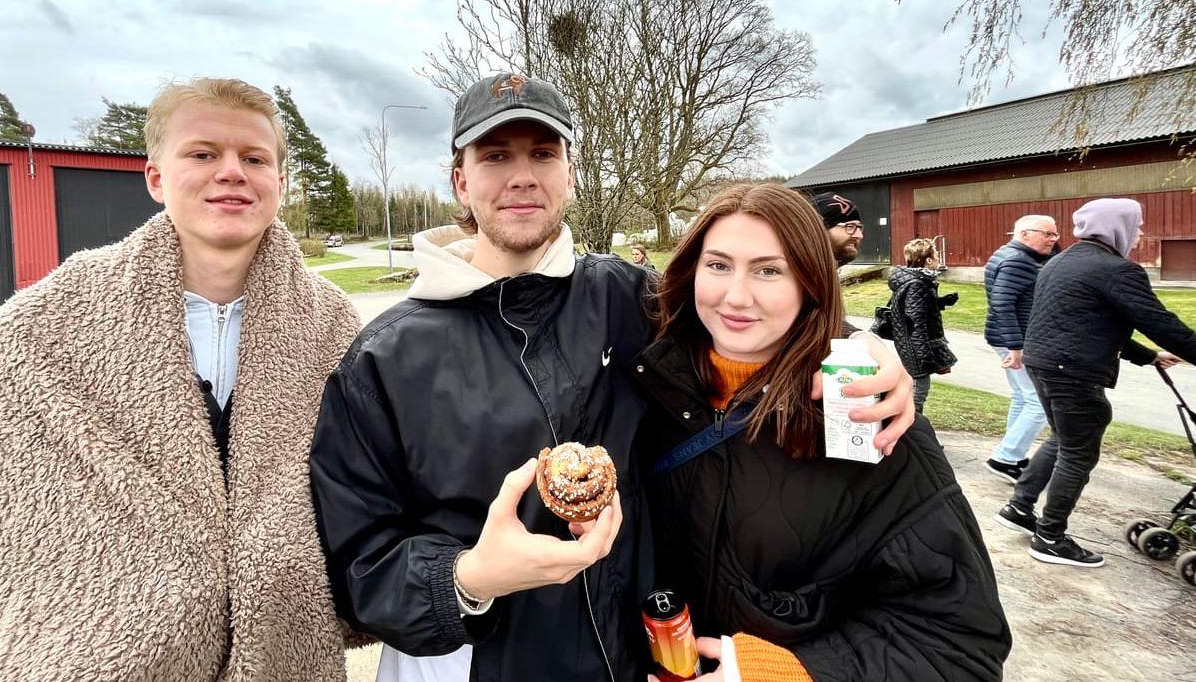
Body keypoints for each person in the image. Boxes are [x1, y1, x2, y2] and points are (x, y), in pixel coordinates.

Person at [310, 73, 916, 682]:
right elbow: (358, 565)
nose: (523, 175)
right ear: (460, 181)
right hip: (467, 665)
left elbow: (753, 327)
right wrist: (466, 579)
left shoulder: (634, 301)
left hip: (631, 655)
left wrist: (855, 348)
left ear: (571, 174)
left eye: (543, 153)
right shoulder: (384, 357)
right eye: (496, 156)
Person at [0, 78, 361, 679]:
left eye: (254, 158)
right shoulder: (43, 324)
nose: (232, 172)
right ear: (155, 177)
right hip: (103, 656)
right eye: (203, 153)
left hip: (285, 649)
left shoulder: (335, 326)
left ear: (279, 182)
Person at [636, 183, 1010, 681]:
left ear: (811, 282)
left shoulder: (869, 414)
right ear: (691, 270)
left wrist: (792, 674)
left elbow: (958, 646)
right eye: (718, 265)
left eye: (769, 270)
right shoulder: (644, 379)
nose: (736, 295)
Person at [997, 198, 1196, 568]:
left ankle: (1019, 507)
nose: (1139, 233)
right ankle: (1050, 538)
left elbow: (1090, 321)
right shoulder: (1117, 270)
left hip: (1043, 365)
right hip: (1073, 373)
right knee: (1078, 452)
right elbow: (1161, 323)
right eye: (1136, 226)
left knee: (1063, 439)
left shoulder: (1060, 261)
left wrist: (1148, 356)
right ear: (1116, 227)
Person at [982, 215, 1057, 484]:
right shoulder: (1018, 260)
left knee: (1023, 396)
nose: (1053, 240)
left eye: (1055, 235)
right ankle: (1005, 457)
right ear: (1025, 234)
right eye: (1047, 234)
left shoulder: (1011, 254)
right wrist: (1015, 346)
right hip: (1016, 341)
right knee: (1038, 402)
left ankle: (1012, 456)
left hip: (1009, 338)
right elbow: (1002, 303)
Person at [887, 237, 958, 413]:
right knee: (918, 390)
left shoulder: (919, 281)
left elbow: (917, 308)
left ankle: (910, 428)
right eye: (936, 256)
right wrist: (922, 353)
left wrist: (940, 302)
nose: (938, 260)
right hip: (913, 345)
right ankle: (910, 429)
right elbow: (914, 320)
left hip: (911, 344)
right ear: (928, 260)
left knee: (917, 388)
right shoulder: (917, 283)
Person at [810, 192, 864, 267]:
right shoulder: (795, 274)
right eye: (850, 226)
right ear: (821, 229)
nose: (860, 235)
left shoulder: (823, 274)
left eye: (859, 228)